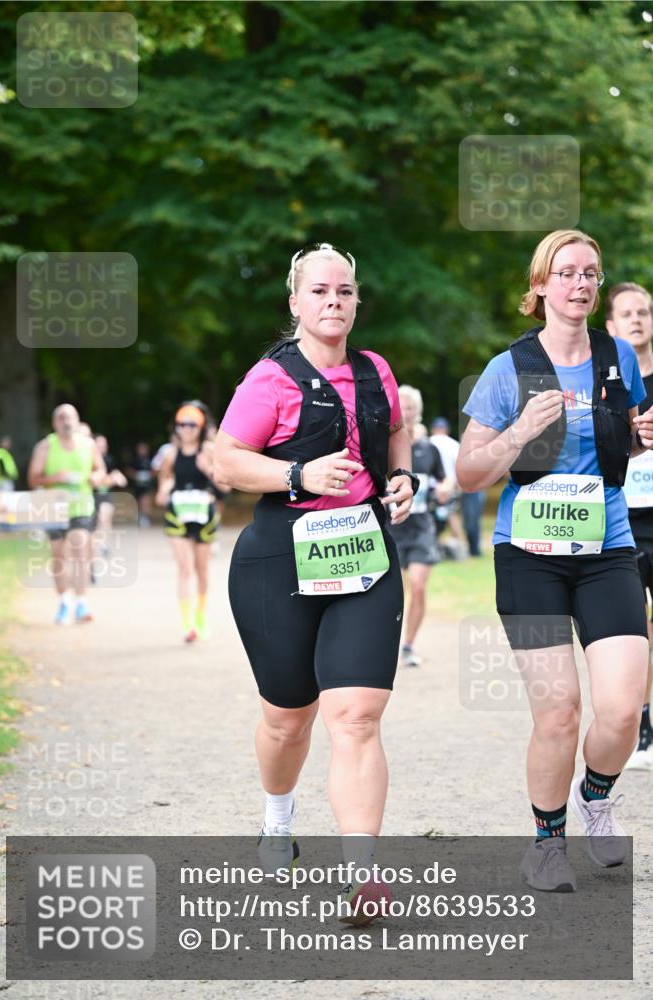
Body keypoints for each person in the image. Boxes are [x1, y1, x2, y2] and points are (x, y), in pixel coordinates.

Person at [214, 242, 416, 924]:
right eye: (321, 291)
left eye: (345, 291)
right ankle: (277, 819)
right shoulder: (269, 379)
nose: (334, 301)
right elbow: (227, 462)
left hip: (362, 555)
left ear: (357, 301)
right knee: (287, 717)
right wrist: (296, 475)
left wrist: (402, 477)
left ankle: (362, 877)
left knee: (354, 717)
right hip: (279, 560)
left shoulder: (377, 370)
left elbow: (394, 436)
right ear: (295, 303)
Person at [457, 229, 651, 893]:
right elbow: (466, 474)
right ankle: (545, 842)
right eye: (565, 272)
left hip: (606, 547)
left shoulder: (616, 357)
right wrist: (517, 432)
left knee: (623, 709)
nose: (579, 284)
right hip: (529, 556)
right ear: (539, 285)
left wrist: (640, 432)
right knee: (559, 711)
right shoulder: (508, 368)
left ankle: (594, 796)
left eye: (590, 273)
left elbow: (629, 432)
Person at [606, 282, 653, 770]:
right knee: (636, 629)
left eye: (645, 312)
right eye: (628, 313)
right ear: (612, 327)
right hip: (623, 519)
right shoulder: (609, 380)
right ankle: (641, 722)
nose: (638, 320)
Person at [28, 404, 106, 624]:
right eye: (61, 418)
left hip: (81, 505)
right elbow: (33, 479)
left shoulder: (88, 444)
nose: (66, 421)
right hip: (54, 506)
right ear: (55, 423)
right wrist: (56, 478)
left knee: (80, 549)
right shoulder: (45, 447)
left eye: (70, 417)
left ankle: (82, 603)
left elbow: (100, 470)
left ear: (77, 419)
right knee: (59, 556)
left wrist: (96, 478)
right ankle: (64, 602)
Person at [155, 402, 226, 643]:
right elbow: (165, 480)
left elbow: (225, 485)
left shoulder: (208, 451)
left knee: (202, 570)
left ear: (200, 426)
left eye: (191, 424)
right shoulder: (170, 454)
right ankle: (187, 624)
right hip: (178, 514)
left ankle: (201, 615)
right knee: (184, 569)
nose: (186, 429)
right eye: (182, 424)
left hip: (204, 515)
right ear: (176, 427)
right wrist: (163, 491)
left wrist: (208, 470)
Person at [389, 385, 448, 667]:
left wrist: (447, 488)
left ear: (418, 412)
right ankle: (389, 642)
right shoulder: (386, 447)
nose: (407, 412)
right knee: (396, 593)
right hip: (393, 526)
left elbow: (445, 478)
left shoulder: (429, 448)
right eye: (402, 407)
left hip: (422, 527)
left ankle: (409, 646)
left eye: (411, 407)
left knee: (418, 586)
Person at [429, 417, 466, 557]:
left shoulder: (428, 442)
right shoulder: (454, 444)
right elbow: (459, 467)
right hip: (450, 485)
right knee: (452, 516)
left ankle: (434, 547)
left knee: (431, 517)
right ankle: (461, 547)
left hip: (432, 486)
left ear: (433, 429)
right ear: (447, 430)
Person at [92, 434, 127, 558]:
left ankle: (104, 544)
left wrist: (115, 477)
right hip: (93, 495)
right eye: (99, 444)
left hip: (107, 494)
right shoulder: (89, 460)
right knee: (97, 522)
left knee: (106, 520)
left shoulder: (109, 459)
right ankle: (97, 544)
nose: (102, 447)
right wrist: (111, 479)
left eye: (104, 444)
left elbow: (116, 475)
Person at [127, 442, 155, 527]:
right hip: (137, 485)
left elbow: (156, 470)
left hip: (147, 485)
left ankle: (145, 517)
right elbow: (128, 470)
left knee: (146, 500)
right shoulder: (134, 460)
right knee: (138, 501)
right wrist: (136, 475)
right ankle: (140, 516)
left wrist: (150, 475)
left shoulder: (151, 459)